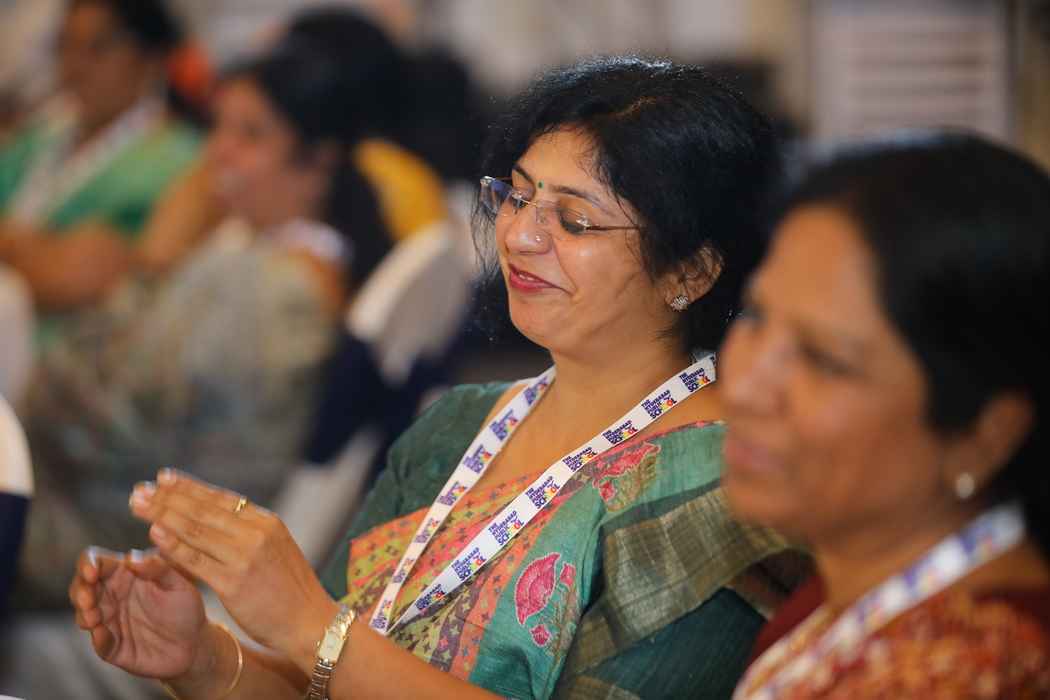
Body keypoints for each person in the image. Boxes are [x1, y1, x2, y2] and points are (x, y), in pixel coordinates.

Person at [70, 57, 797, 699]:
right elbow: (323, 680)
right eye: (519, 195)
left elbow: (324, 642)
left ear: (690, 271)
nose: (520, 235)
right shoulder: (457, 427)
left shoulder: (724, 486)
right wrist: (202, 659)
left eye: (575, 221)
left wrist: (307, 622)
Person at [16, 40, 391, 608]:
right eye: (219, 128)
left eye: (250, 135)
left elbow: (107, 430)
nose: (217, 152)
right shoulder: (275, 257)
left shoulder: (271, 289)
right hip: (141, 509)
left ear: (318, 163)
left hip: (127, 539)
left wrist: (147, 264)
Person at [721, 132, 1050, 697]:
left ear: (984, 435)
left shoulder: (975, 673)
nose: (746, 386)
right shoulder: (843, 589)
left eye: (823, 359)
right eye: (754, 315)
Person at [0, 0, 200, 317]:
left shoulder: (181, 163)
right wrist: (34, 251)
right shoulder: (35, 139)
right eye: (65, 46)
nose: (74, 66)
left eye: (98, 48)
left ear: (150, 58)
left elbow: (74, 277)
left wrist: (26, 252)